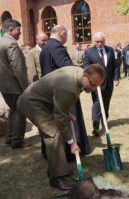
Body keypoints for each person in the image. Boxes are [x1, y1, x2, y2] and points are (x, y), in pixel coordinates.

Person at [18, 64, 105, 190]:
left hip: (43, 100)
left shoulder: (79, 74)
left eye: (97, 86)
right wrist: (72, 143)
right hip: (32, 103)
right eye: (92, 84)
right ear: (85, 76)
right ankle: (57, 178)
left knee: (54, 133)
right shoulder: (69, 88)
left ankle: (56, 170)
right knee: (53, 134)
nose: (93, 89)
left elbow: (59, 100)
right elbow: (60, 119)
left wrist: (65, 113)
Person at [40, 25, 90, 160]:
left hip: (51, 89)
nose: (66, 39)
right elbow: (67, 69)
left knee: (56, 122)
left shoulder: (45, 47)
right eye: (66, 35)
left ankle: (54, 152)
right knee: (67, 120)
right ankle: (72, 151)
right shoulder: (56, 47)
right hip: (62, 90)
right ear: (62, 33)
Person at [0, 19, 30, 149]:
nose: (20, 32)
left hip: (5, 86)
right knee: (20, 112)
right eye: (18, 30)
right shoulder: (11, 44)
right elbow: (18, 68)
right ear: (11, 30)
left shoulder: (1, 42)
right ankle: (17, 141)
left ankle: (10, 138)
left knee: (13, 112)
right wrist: (25, 87)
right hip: (14, 86)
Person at [83, 32, 120, 135]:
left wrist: (116, 78)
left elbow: (115, 65)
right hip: (96, 84)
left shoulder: (110, 50)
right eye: (97, 42)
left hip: (108, 83)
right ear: (93, 41)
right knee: (97, 104)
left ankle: (104, 121)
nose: (99, 43)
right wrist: (92, 80)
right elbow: (86, 67)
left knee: (106, 102)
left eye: (101, 41)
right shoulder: (89, 52)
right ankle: (96, 126)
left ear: (104, 40)